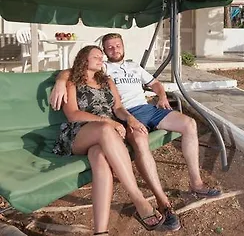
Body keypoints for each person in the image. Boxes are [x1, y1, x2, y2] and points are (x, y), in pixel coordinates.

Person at [50, 33, 221, 200]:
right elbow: (75, 70)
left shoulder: (134, 66)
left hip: (147, 108)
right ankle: (158, 197)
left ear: (123, 46)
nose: (114, 50)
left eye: (118, 46)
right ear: (105, 51)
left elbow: (155, 83)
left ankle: (196, 183)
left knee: (189, 124)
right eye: (109, 48)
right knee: (140, 141)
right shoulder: (103, 67)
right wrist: (60, 80)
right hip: (126, 113)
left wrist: (162, 96)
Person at [52, 45, 181, 235]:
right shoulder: (72, 81)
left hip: (106, 134)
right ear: (84, 59)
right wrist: (108, 122)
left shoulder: (107, 81)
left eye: (101, 56)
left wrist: (129, 119)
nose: (101, 59)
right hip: (79, 132)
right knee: (105, 131)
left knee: (99, 157)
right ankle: (138, 199)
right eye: (96, 56)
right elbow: (72, 114)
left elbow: (118, 108)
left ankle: (100, 231)